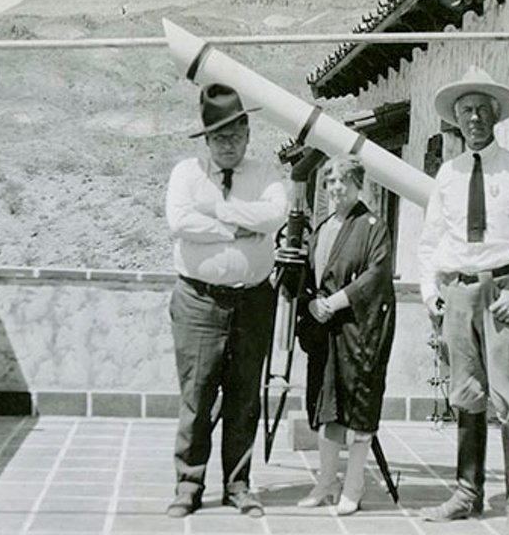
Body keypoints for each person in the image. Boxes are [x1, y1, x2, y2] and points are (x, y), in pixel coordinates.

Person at [418, 66, 509, 535]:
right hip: (459, 292)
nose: (474, 118)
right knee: (467, 396)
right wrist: (431, 290)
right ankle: (467, 493)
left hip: (504, 293)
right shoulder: (448, 173)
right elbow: (429, 243)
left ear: (496, 115)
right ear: (455, 121)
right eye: (465, 112)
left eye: (482, 110)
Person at [164, 83, 287, 518]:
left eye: (235, 135)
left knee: (244, 396)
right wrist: (239, 228)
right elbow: (179, 221)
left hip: (254, 301)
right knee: (197, 394)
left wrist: (217, 212)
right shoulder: (186, 174)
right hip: (199, 301)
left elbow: (275, 216)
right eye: (219, 137)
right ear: (206, 139)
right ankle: (188, 484)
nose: (228, 145)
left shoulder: (266, 174)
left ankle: (238, 484)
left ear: (248, 133)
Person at [294, 156, 396, 516]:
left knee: (359, 407)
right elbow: (309, 279)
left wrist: (334, 303)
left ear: (358, 185)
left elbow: (376, 276)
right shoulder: (322, 229)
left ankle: (353, 485)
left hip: (360, 332)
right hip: (326, 332)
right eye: (331, 181)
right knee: (328, 408)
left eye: (344, 181)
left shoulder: (373, 227)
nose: (337, 188)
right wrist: (310, 306)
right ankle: (326, 483)